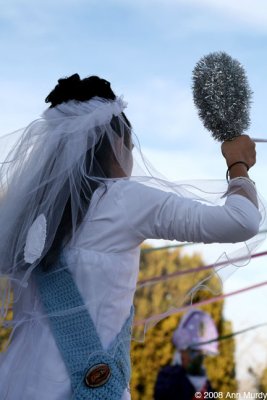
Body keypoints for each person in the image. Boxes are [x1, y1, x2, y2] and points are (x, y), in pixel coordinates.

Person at [0, 73, 262, 400]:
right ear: (113, 143)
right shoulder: (122, 200)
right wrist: (238, 163)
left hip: (15, 381)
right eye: (129, 143)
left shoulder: (29, 214)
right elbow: (242, 220)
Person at [154, 309, 219, 400]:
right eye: (192, 351)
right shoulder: (168, 377)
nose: (195, 358)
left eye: (201, 354)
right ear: (181, 351)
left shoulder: (206, 386)